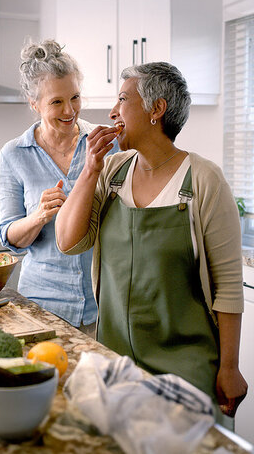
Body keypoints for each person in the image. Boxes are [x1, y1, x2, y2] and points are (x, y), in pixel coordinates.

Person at [55, 62, 247, 424]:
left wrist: (230, 368)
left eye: (123, 99)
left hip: (185, 376)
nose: (112, 112)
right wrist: (89, 169)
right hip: (115, 368)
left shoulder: (204, 181)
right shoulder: (112, 171)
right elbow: (68, 242)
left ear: (156, 109)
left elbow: (229, 288)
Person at [0, 39, 118, 336]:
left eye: (75, 97)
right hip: (41, 306)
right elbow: (9, 236)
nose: (70, 110)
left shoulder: (105, 145)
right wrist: (38, 216)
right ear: (33, 103)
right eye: (56, 102)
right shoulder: (14, 154)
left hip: (103, 305)